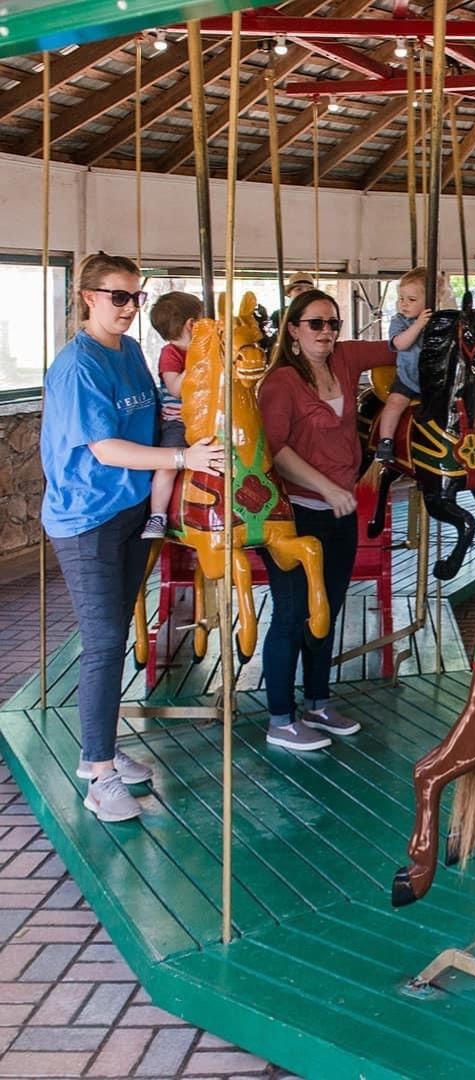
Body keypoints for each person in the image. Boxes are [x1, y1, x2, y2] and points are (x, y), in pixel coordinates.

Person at [40, 253, 224, 823]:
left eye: (135, 297)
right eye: (118, 296)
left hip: (133, 509)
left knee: (118, 632)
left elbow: (156, 414)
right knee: (101, 642)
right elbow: (105, 448)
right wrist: (180, 455)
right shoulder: (78, 366)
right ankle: (97, 772)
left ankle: (104, 749)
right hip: (88, 516)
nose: (128, 307)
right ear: (87, 296)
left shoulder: (134, 353)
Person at [257, 288, 394, 751]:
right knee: (294, 612)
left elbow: (395, 347)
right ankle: (280, 717)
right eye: (315, 323)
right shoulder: (279, 383)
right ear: (293, 330)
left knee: (328, 608)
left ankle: (316, 701)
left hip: (339, 511)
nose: (326, 332)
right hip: (294, 516)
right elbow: (276, 450)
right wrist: (327, 487)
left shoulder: (343, 361)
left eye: (332, 323)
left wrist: (427, 315)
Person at [141, 291, 204, 539]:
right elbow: (176, 387)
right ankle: (158, 516)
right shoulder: (172, 353)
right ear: (192, 325)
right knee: (168, 465)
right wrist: (197, 358)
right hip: (179, 421)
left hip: (206, 419)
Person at [375, 266, 432, 462]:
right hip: (407, 378)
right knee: (395, 403)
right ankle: (386, 441)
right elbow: (400, 343)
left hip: (432, 381)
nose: (404, 304)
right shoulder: (399, 321)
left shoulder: (437, 322)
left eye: (412, 300)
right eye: (401, 299)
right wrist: (418, 325)